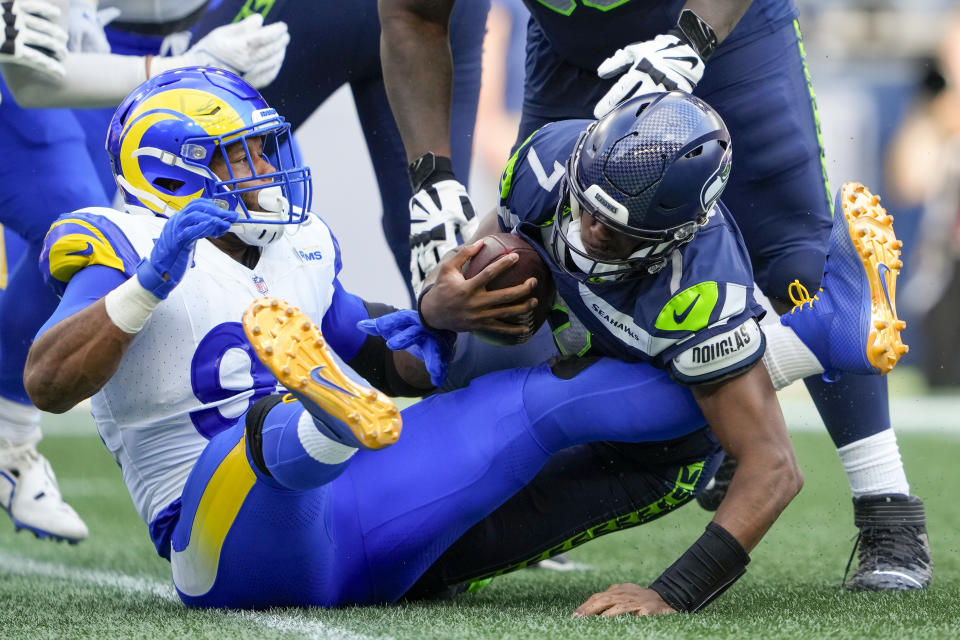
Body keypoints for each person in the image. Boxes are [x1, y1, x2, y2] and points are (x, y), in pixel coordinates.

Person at [23, 69, 905, 614]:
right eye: (238, 159)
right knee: (269, 443)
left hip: (360, 516)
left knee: (543, 404)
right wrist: (147, 285)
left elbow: (386, 363)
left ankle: (811, 335)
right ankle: (320, 425)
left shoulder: (294, 248)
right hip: (218, 542)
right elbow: (49, 380)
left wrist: (433, 324)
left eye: (264, 150)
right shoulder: (127, 247)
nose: (264, 173)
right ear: (170, 169)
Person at [378, 0, 932, 591]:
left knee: (795, 265)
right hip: (572, 50)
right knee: (521, 271)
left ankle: (886, 508)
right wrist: (431, 179)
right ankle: (498, 492)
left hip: (722, 30)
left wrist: (692, 37)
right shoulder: (545, 160)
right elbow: (414, 15)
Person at [0, 0, 287, 543]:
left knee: (73, 222)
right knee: (78, 224)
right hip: (19, 83)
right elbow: (30, 78)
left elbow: (38, 71)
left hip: (43, 71)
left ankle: (9, 439)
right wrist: (171, 69)